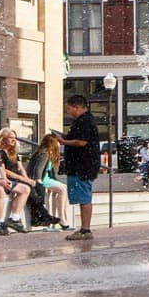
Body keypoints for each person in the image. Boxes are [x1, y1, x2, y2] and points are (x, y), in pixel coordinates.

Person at [56, 94, 101, 238]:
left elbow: (81, 142)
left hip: (83, 165)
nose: (68, 111)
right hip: (82, 165)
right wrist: (65, 137)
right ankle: (84, 228)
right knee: (82, 197)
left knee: (84, 197)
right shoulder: (83, 121)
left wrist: (63, 142)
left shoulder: (85, 121)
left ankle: (85, 229)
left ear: (77, 107)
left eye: (69, 108)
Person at [27, 133, 70, 229]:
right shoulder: (44, 153)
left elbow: (53, 172)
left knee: (64, 189)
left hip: (48, 179)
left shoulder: (50, 153)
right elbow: (38, 169)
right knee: (63, 189)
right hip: (42, 179)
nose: (59, 144)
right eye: (58, 142)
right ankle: (62, 219)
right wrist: (39, 183)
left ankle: (64, 217)